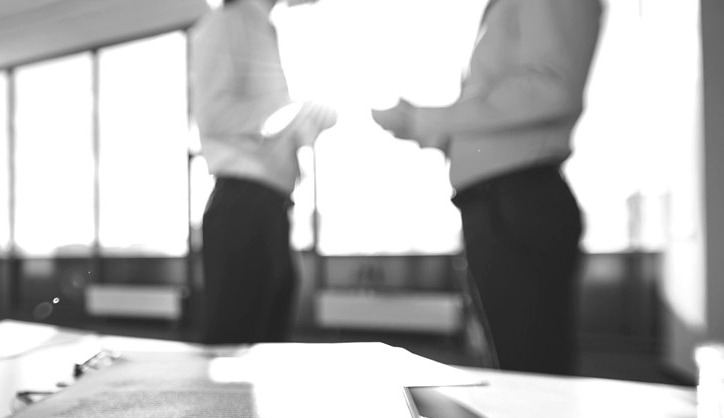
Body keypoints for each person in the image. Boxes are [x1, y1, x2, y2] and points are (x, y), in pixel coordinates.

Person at [372, 0, 603, 375]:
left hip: (517, 203)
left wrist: (427, 118)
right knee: (512, 367)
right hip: (498, 203)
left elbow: (551, 89)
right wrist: (422, 126)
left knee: (529, 374)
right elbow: (497, 123)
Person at [190, 0, 337, 344]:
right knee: (231, 346)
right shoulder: (228, 22)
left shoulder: (260, 25)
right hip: (242, 206)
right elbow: (214, 116)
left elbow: (266, 122)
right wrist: (295, 114)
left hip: (271, 206)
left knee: (267, 346)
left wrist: (307, 124)